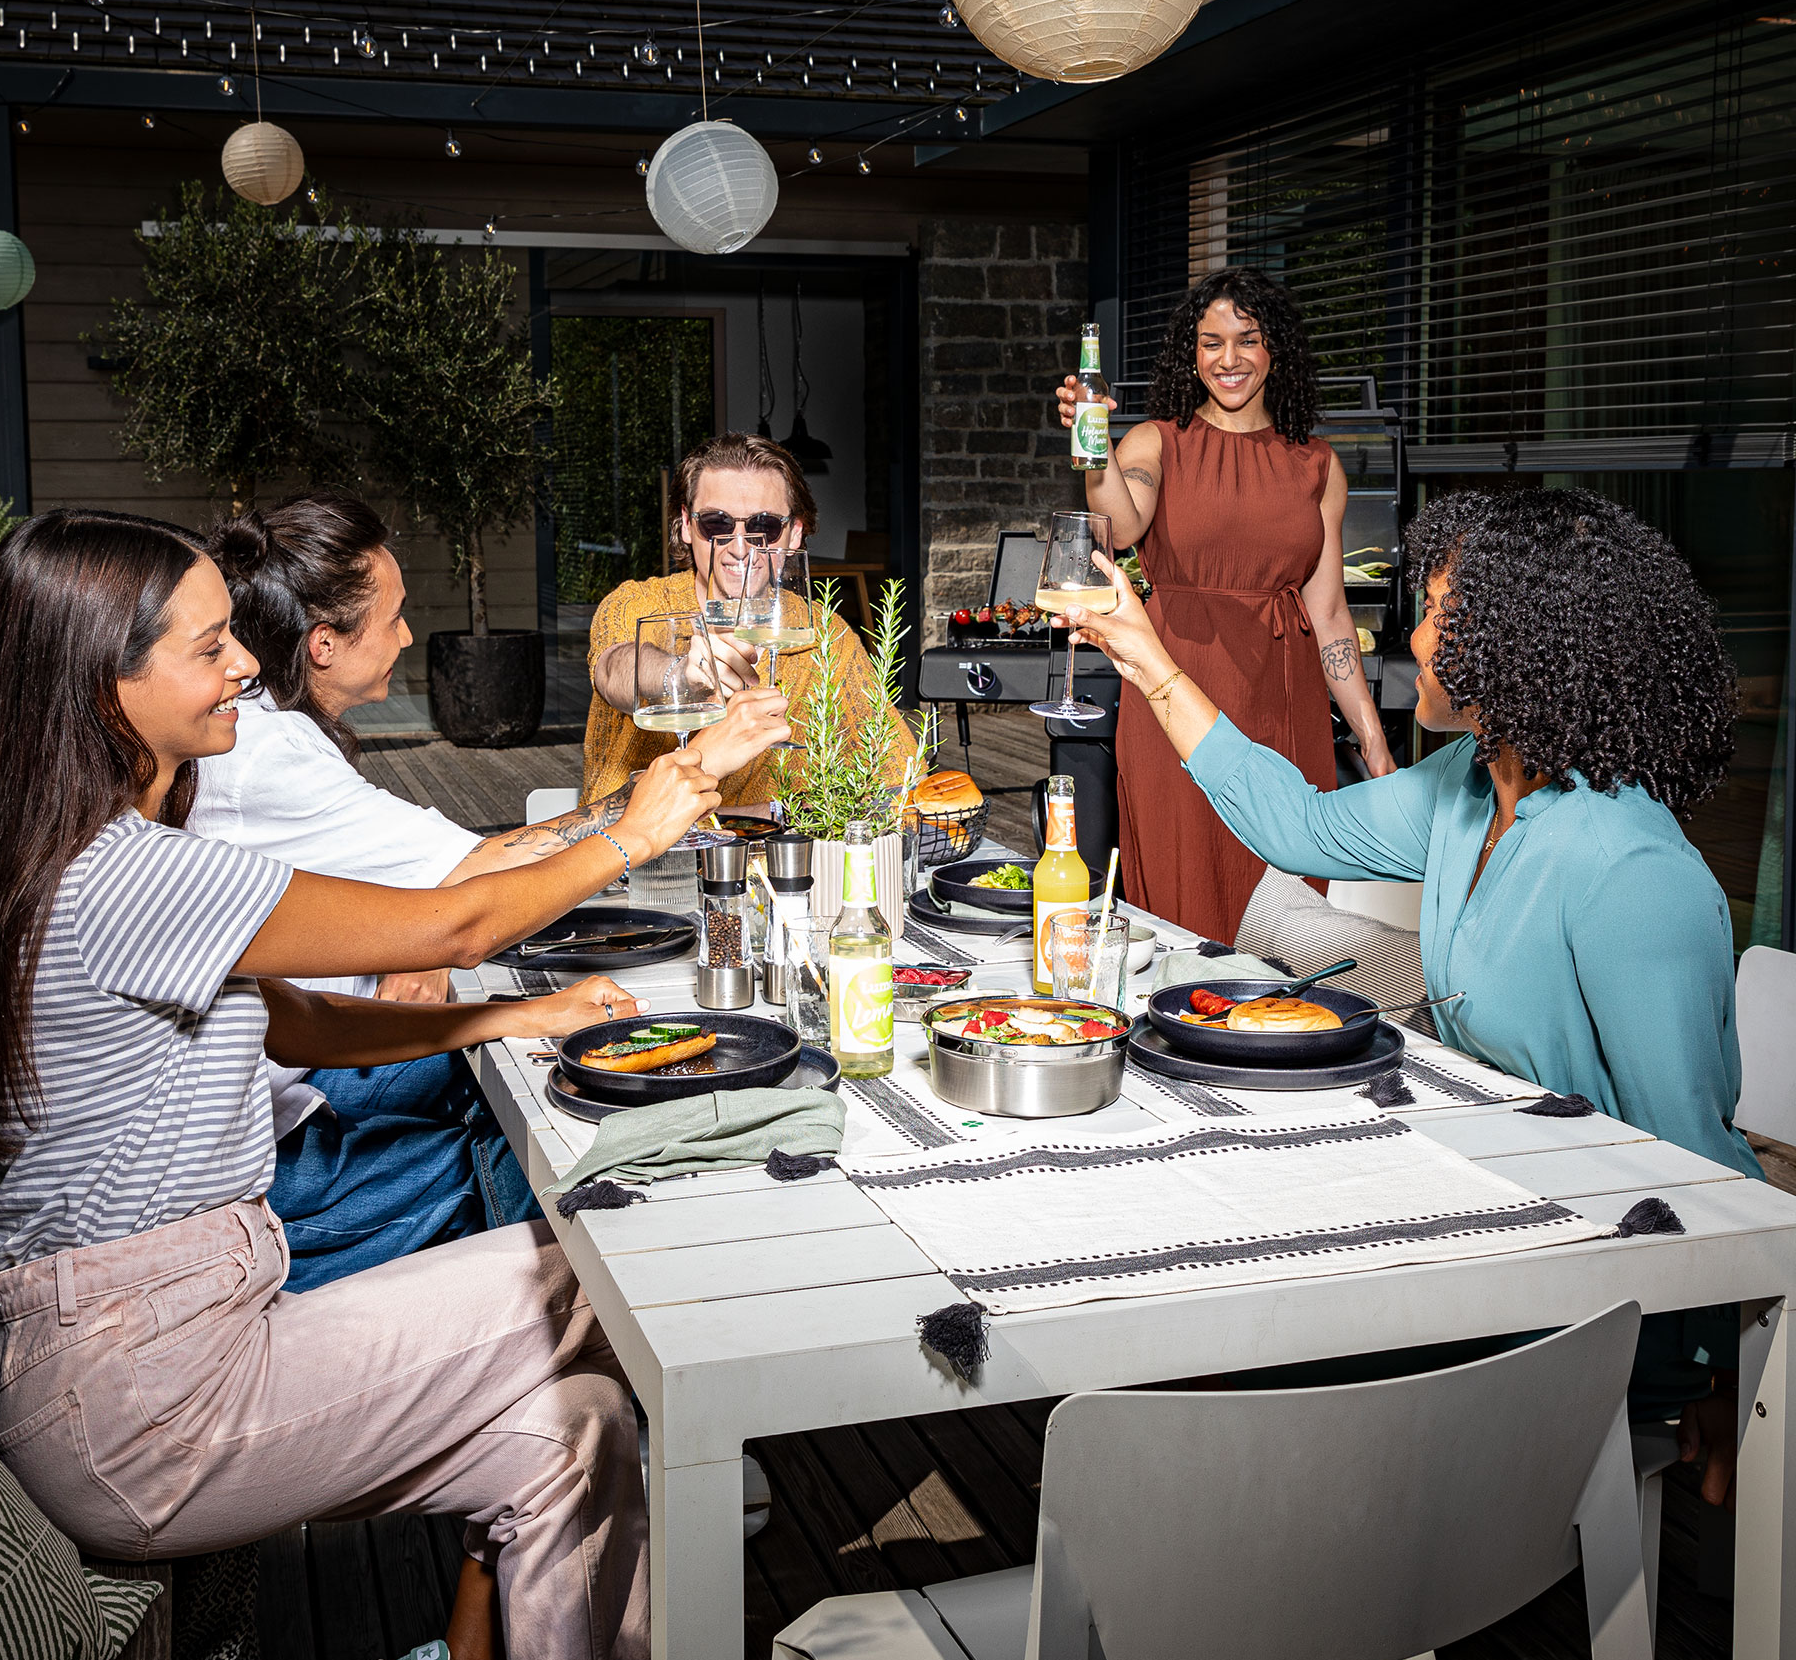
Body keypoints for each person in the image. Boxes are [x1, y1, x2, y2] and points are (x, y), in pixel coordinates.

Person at [0, 508, 718, 1660]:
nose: (249, 662)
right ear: (102, 685)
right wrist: (633, 828)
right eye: (208, 647)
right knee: (615, 1262)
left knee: (572, 1433)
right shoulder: (127, 875)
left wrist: (505, 1016)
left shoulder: (72, 849)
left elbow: (299, 1022)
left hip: (154, 1343)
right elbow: (453, 918)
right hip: (144, 1391)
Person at [1065, 484, 1755, 1499]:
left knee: (1244, 1343)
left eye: (1441, 613)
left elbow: (1693, 1155)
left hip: (1584, 1297)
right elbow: (1299, 825)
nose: (1416, 639)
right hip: (1474, 1221)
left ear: (1529, 640)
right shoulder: (1469, 786)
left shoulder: (1628, 871)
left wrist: (1718, 1366)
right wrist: (1149, 658)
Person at [192, 493, 788, 1291]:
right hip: (280, 1149)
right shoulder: (266, 752)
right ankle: (584, 1293)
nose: (410, 636)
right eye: (395, 618)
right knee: (548, 1099)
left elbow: (429, 889)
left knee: (534, 1055)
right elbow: (474, 878)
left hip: (297, 1062)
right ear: (324, 644)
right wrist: (668, 791)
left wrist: (423, 945)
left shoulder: (272, 729)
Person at [1056, 268, 1394, 943]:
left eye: (1247, 340)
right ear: (1193, 354)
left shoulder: (1319, 466)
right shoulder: (1157, 442)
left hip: (1283, 705)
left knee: (1289, 906)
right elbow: (1120, 526)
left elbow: (1329, 614)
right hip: (1175, 694)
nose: (1228, 359)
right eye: (1211, 343)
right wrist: (1093, 452)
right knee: (1182, 893)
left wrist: (1374, 742)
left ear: (1276, 351)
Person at [582, 432, 916, 807]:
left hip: (773, 846)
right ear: (687, 525)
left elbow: (900, 777)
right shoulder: (637, 603)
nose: (740, 548)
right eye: (716, 523)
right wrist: (680, 675)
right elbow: (614, 669)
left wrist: (771, 817)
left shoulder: (826, 636)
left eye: (765, 526)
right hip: (625, 842)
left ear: (794, 532)